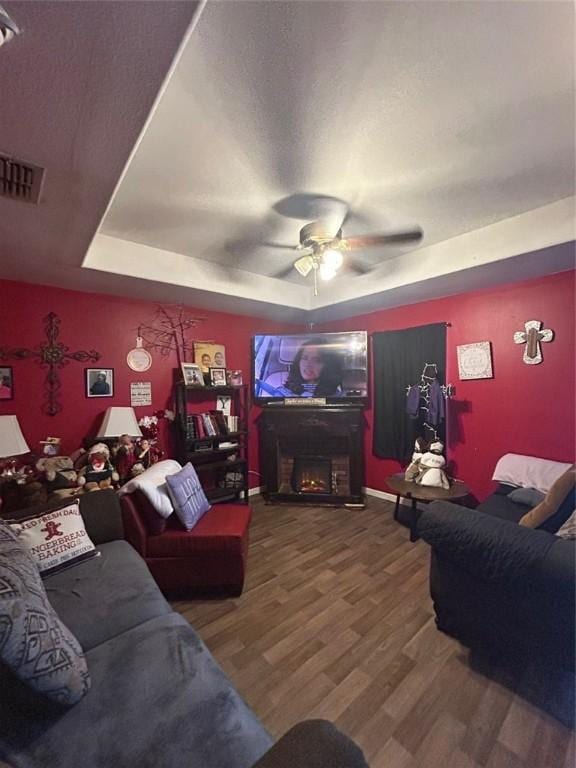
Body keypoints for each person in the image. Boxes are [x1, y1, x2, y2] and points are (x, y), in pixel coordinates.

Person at [278, 338, 344, 397]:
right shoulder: (281, 393)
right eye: (305, 358)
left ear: (328, 365)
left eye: (316, 360)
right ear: (298, 361)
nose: (308, 365)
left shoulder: (336, 396)